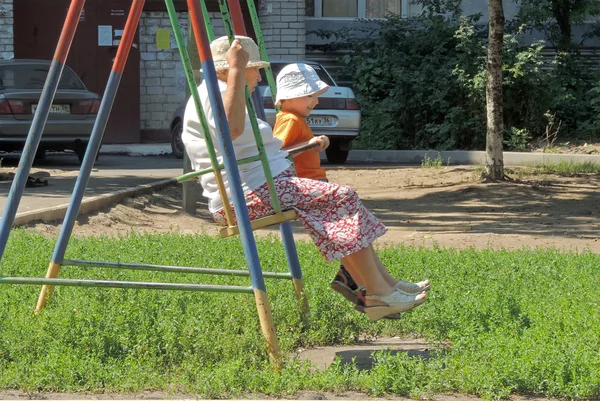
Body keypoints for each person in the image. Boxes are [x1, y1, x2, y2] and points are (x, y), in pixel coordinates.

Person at [182, 35, 429, 322]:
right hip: (245, 195)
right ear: (229, 67)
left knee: (337, 202)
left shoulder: (221, 92)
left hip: (260, 187)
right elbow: (232, 130)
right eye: (255, 68)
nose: (260, 77)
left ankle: (383, 285)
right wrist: (238, 70)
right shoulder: (215, 93)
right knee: (342, 197)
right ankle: (376, 293)